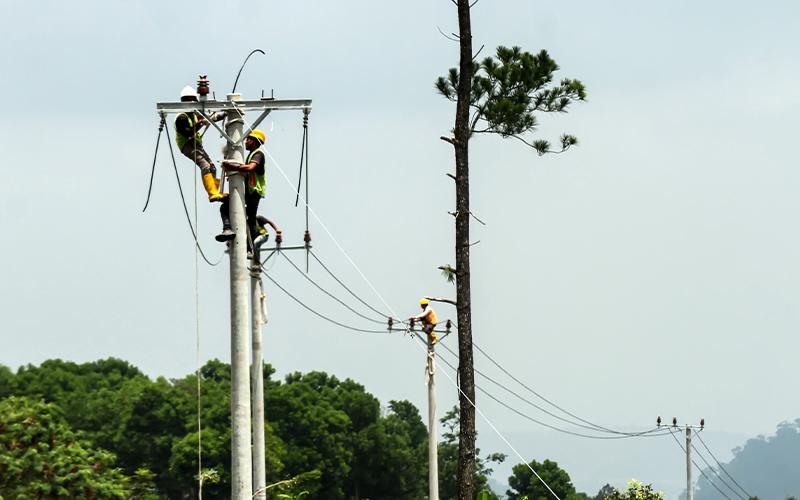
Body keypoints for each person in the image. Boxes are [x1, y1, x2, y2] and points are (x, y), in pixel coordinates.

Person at [174, 86, 227, 202]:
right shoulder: (181, 117)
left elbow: (209, 119)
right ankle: (212, 193)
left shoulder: (193, 115)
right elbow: (188, 132)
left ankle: (217, 191)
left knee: (212, 167)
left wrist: (224, 114)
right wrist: (200, 123)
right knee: (205, 166)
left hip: (196, 145)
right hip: (187, 145)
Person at [215, 129, 267, 245]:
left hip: (254, 192)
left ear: (255, 141)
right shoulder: (251, 155)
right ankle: (227, 229)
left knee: (251, 219)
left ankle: (249, 247)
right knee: (225, 207)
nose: (246, 142)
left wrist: (231, 167)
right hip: (249, 191)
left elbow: (249, 168)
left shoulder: (258, 154)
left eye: (249, 139)